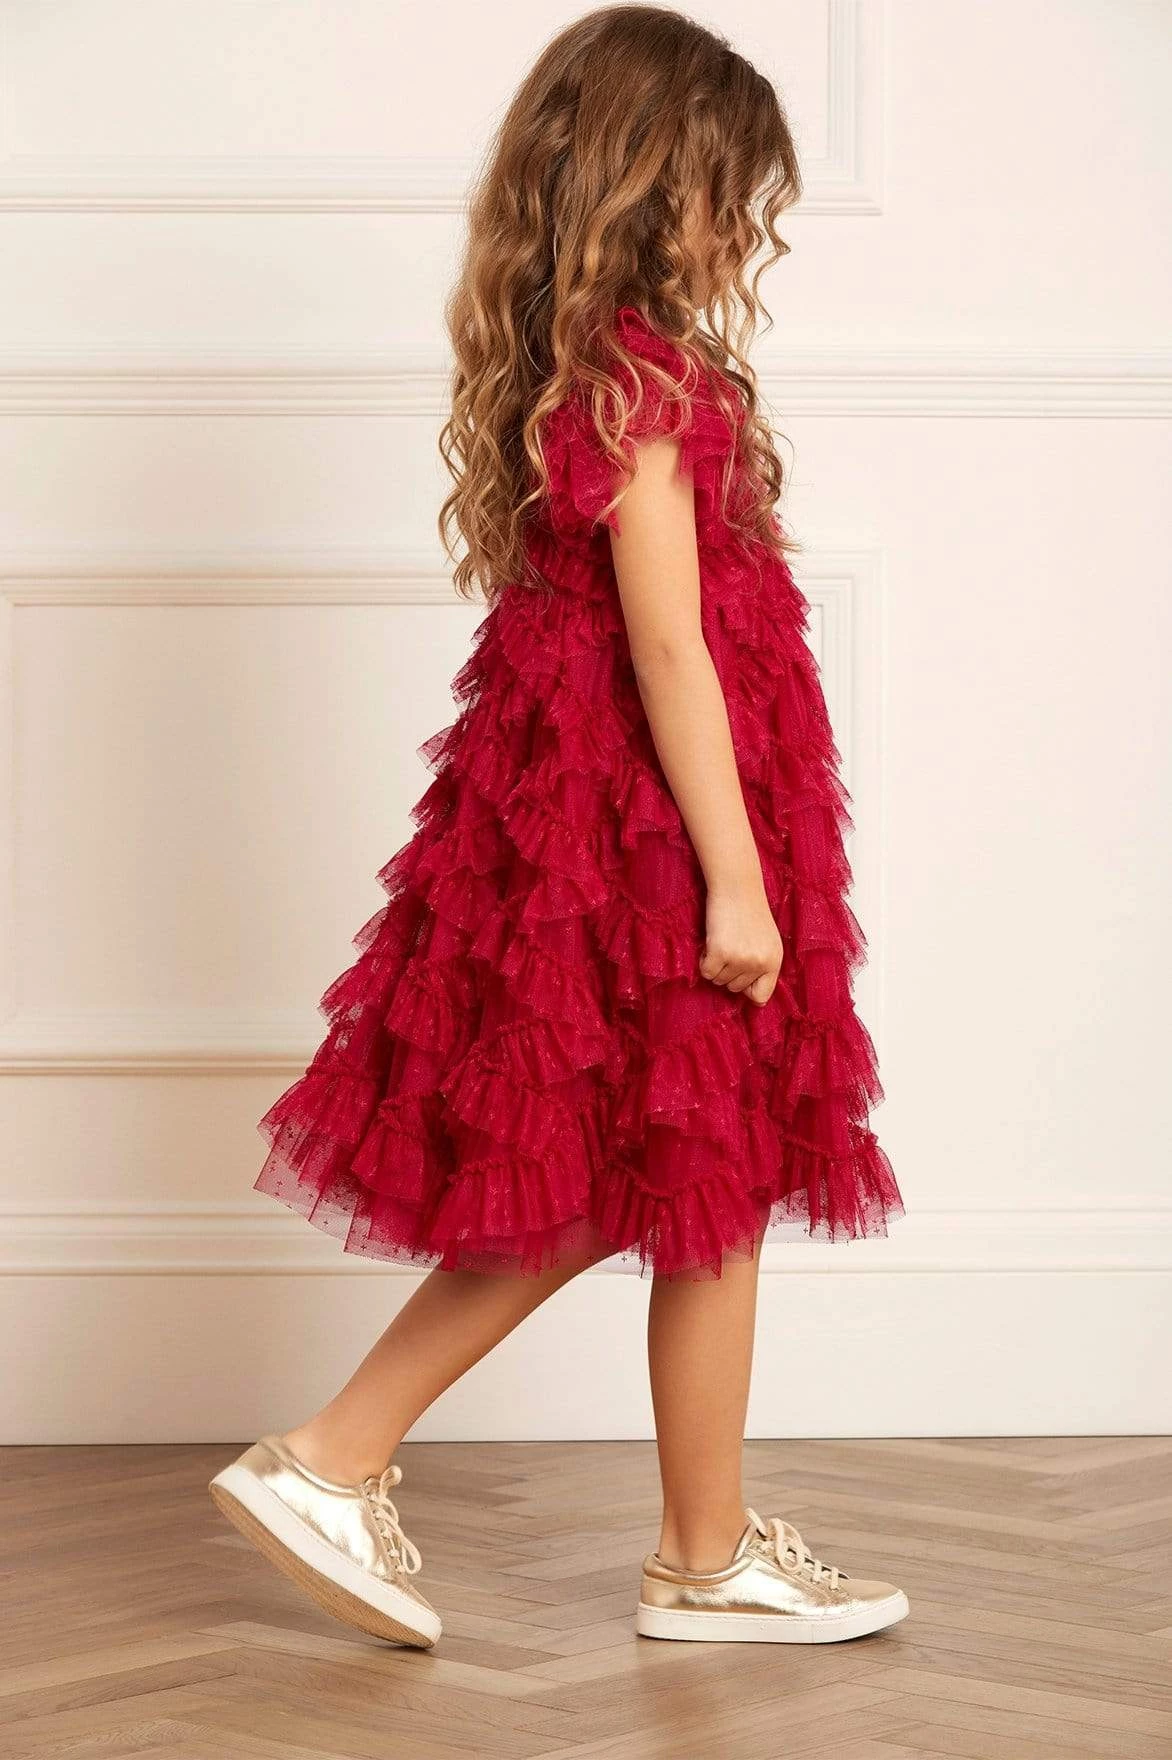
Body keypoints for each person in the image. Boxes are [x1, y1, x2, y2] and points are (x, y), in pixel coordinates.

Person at [210, 4, 907, 1651]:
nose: (748, 229)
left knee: (708, 1169)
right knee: (641, 1166)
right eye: (731, 191)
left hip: (630, 808)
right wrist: (736, 878)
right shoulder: (641, 383)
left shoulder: (592, 369)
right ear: (658, 181)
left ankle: (702, 1552)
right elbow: (666, 644)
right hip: (649, 827)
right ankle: (335, 1453)